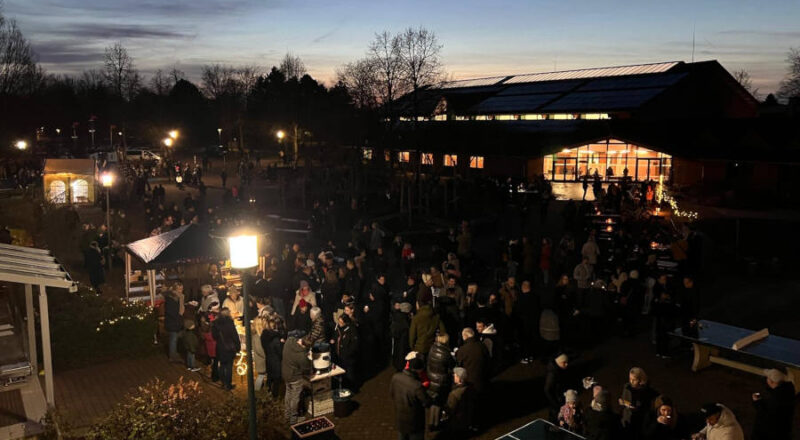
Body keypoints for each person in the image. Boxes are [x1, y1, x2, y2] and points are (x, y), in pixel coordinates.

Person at [390, 355, 432, 440]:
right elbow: (426, 402)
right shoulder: (417, 386)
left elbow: (392, 393)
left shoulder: (396, 377)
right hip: (414, 422)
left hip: (400, 418)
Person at [751, 369, 795, 440]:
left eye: (767, 377)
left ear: (771, 381)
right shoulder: (787, 392)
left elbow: (765, 416)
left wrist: (757, 402)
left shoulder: (777, 398)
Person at [619, 367, 658, 440]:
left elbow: (645, 407)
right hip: (627, 417)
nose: (631, 381)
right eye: (630, 378)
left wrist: (633, 407)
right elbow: (624, 398)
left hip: (639, 420)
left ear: (640, 380)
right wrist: (622, 402)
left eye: (634, 380)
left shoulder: (646, 391)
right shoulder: (627, 387)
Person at [426, 333, 454, 430]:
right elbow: (450, 368)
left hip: (432, 379)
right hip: (441, 381)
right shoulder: (446, 354)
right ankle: (436, 423)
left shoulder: (432, 349)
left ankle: (431, 422)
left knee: (434, 402)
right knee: (439, 403)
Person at [282, 336, 312, 425]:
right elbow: (307, 367)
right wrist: (308, 357)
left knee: (288, 394)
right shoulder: (301, 355)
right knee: (295, 398)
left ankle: (287, 415)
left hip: (285, 373)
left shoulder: (289, 342)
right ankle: (293, 419)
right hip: (295, 377)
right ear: (304, 346)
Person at [455, 328, 490, 396]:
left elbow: (459, 366)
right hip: (483, 380)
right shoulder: (482, 346)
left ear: (465, 336)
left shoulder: (463, 350)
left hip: (469, 383)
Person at [212, 307, 239, 391]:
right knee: (229, 366)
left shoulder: (216, 323)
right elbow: (235, 336)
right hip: (229, 347)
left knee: (222, 365)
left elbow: (214, 336)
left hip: (220, 346)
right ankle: (228, 384)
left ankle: (223, 382)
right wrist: (238, 346)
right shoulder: (230, 323)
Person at [443, 367, 475, 438]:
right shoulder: (471, 387)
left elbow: (450, 409)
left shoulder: (454, 394)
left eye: (455, 375)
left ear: (459, 378)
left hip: (457, 422)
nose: (454, 375)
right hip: (468, 418)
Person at [334, 314, 359, 390]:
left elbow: (354, 344)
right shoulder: (338, 328)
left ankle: (352, 388)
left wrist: (348, 353)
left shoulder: (351, 330)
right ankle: (343, 387)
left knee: (349, 374)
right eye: (339, 322)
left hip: (348, 357)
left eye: (341, 322)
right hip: (340, 355)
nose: (340, 324)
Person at [261, 318, 284, 398]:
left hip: (268, 359)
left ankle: (268, 391)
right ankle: (275, 395)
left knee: (270, 376)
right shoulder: (276, 339)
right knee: (277, 378)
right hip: (276, 361)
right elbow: (280, 352)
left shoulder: (263, 336)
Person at [544, 353, 570, 422]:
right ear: (559, 362)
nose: (566, 364)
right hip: (556, 401)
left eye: (567, 362)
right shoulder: (552, 374)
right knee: (555, 417)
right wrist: (555, 403)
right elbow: (547, 389)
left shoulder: (557, 370)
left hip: (558, 398)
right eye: (564, 362)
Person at [164, 282, 185, 362]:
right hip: (173, 321)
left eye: (182, 289)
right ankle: (172, 356)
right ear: (175, 289)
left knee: (175, 338)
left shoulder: (180, 297)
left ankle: (174, 353)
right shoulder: (171, 298)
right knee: (173, 338)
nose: (181, 291)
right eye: (179, 289)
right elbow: (171, 311)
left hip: (176, 320)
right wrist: (177, 316)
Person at [252, 317, 268, 391]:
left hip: (261, 360)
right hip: (261, 361)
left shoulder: (258, 336)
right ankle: (257, 390)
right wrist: (267, 356)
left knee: (262, 376)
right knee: (261, 376)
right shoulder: (257, 338)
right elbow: (260, 350)